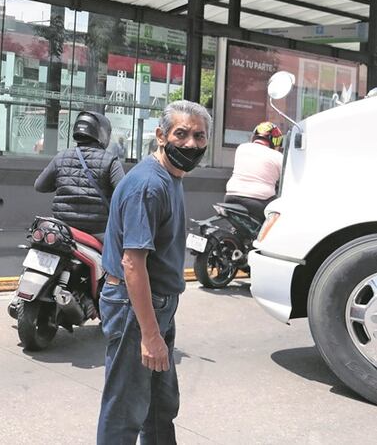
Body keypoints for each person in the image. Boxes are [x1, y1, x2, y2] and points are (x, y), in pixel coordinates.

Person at [97, 100, 211, 444]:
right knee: (125, 409)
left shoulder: (172, 177)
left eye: (198, 136)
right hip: (134, 308)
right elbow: (133, 263)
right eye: (181, 134)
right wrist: (149, 334)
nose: (191, 143)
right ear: (161, 136)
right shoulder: (149, 185)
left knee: (160, 405)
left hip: (158, 305)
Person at [33, 111, 125, 238]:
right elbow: (125, 193)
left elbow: (39, 186)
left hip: (63, 228)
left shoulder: (61, 157)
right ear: (102, 133)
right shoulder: (110, 161)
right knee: (119, 255)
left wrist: (61, 183)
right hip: (98, 230)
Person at [224, 121, 283, 222]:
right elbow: (286, 178)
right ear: (276, 140)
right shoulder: (277, 156)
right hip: (258, 202)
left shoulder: (241, 148)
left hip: (230, 196)